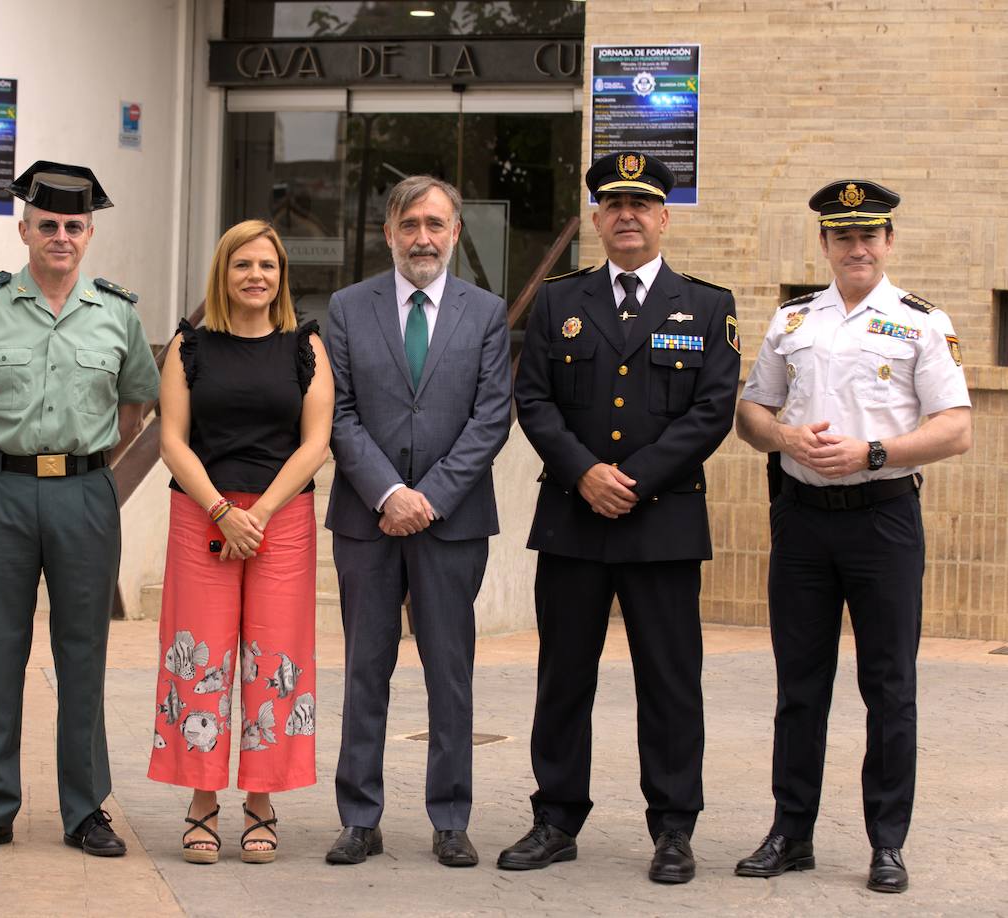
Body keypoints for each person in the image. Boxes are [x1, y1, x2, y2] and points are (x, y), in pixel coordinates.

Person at [500, 152, 739, 884]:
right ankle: (555, 819)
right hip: (575, 518)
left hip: (661, 521)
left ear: (664, 218)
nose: (627, 215)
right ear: (598, 220)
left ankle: (673, 829)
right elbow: (533, 399)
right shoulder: (558, 301)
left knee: (670, 682)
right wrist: (585, 473)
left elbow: (712, 410)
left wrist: (631, 478)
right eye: (613, 204)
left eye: (642, 204)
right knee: (562, 677)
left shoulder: (707, 304)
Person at [733, 180, 972, 894]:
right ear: (825, 245)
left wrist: (873, 453)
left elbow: (956, 428)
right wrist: (783, 436)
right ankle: (790, 832)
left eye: (869, 235)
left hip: (883, 521)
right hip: (803, 522)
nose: (857, 247)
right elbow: (750, 414)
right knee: (799, 688)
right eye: (843, 236)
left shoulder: (922, 323)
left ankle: (887, 843)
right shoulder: (792, 321)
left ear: (889, 243)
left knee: (889, 687)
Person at [0, 161, 160, 856]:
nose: (61, 236)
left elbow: (136, 409)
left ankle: (85, 809)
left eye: (75, 226)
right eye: (49, 224)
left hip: (85, 495)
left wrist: (87, 471)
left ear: (89, 235)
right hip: (1, 489)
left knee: (83, 653)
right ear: (25, 228)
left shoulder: (116, 313)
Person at [324, 175, 512, 868]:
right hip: (366, 521)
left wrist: (428, 496)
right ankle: (360, 818)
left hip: (451, 522)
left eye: (435, 224)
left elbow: (493, 416)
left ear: (456, 232)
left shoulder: (485, 312)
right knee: (365, 669)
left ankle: (451, 817)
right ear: (389, 233)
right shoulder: (347, 307)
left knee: (450, 672)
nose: (423, 238)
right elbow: (337, 412)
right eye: (410, 225)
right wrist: (387, 493)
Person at [147, 220, 333, 864]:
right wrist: (224, 511)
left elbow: (316, 441)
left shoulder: (305, 344)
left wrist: (261, 515)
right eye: (242, 265)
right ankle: (201, 799)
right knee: (198, 657)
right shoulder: (189, 346)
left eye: (269, 266)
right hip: (203, 513)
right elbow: (172, 438)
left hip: (282, 519)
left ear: (282, 276)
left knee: (275, 658)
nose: (256, 276)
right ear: (222, 274)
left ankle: (261, 799)